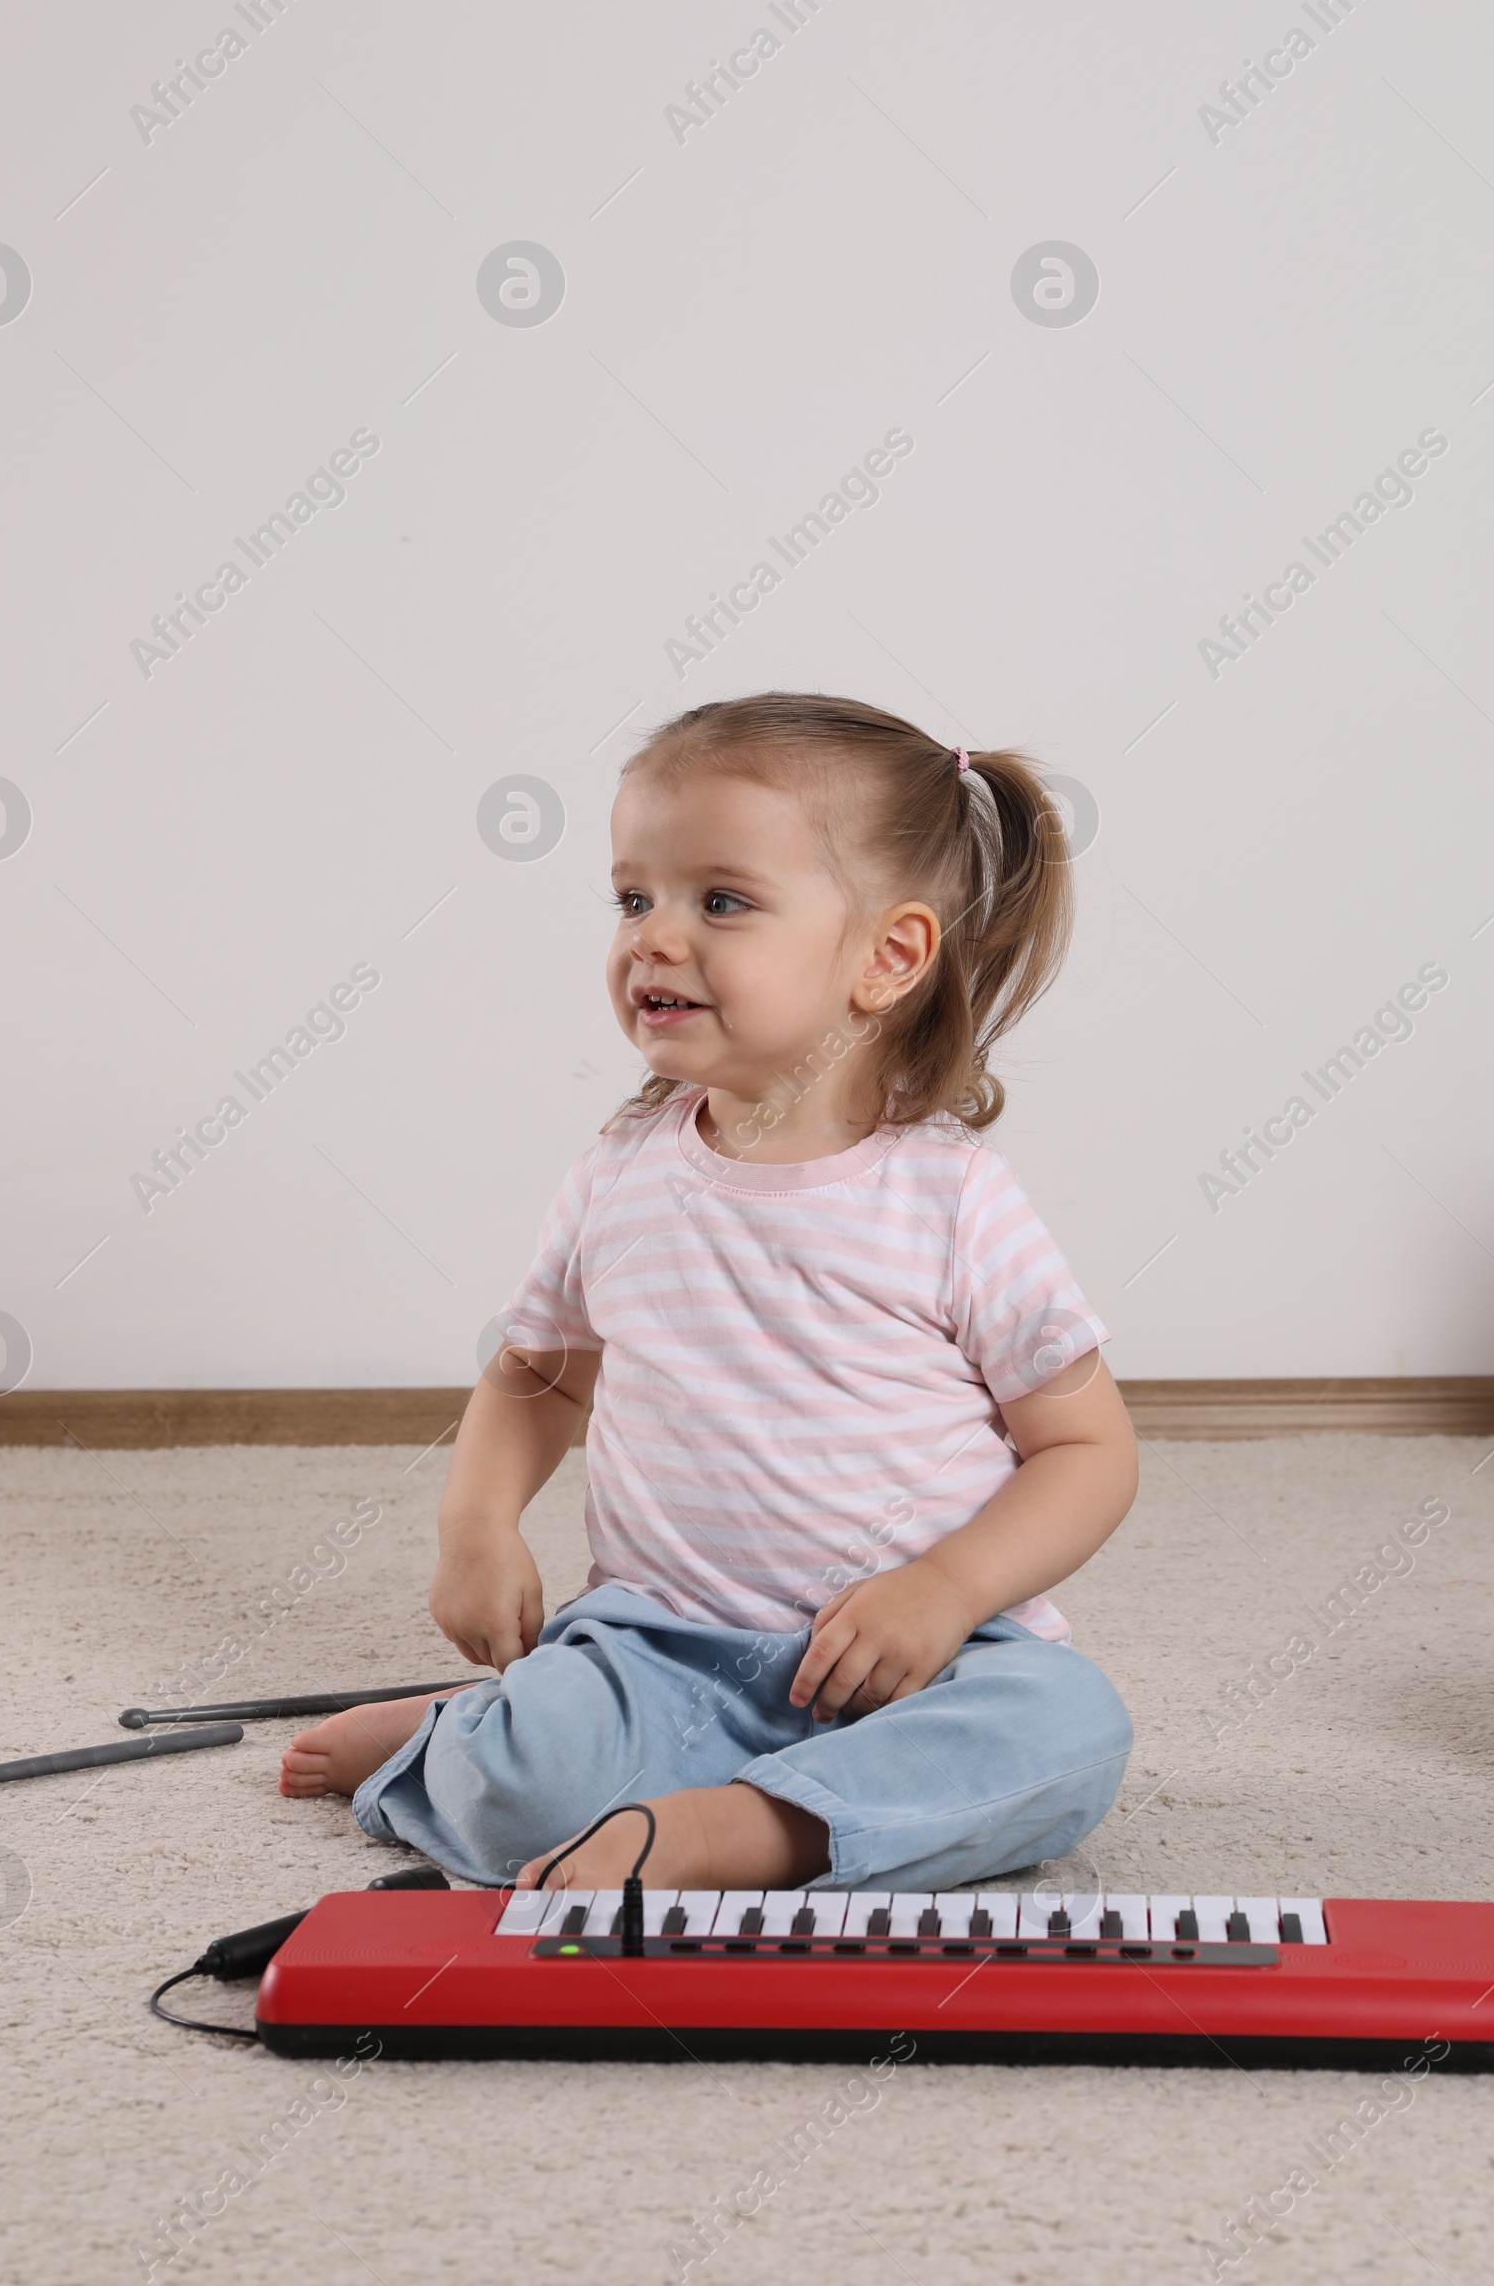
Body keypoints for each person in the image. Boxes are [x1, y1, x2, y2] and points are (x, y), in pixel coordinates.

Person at [280, 692, 1137, 1893]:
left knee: (1068, 1738)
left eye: (719, 902)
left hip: (926, 1661)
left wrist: (947, 1589)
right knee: (527, 1784)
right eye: (635, 898)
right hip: (664, 1649)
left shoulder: (952, 1199)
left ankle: (726, 1833)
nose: (653, 939)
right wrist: (474, 1530)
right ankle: (461, 1739)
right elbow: (533, 1375)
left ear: (887, 957)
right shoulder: (619, 1177)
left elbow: (1087, 1451)